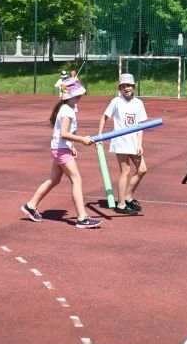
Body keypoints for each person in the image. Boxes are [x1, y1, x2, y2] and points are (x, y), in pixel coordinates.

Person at [20, 76, 101, 229]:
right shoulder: (67, 111)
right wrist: (82, 139)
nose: (80, 96)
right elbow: (64, 133)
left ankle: (30, 205)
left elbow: (64, 135)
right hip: (60, 149)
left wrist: (72, 145)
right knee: (77, 179)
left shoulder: (67, 109)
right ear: (69, 95)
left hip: (61, 148)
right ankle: (82, 218)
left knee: (54, 179)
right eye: (77, 93)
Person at [97, 73, 148, 214]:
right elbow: (104, 117)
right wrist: (100, 136)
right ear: (120, 87)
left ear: (133, 86)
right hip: (121, 141)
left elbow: (141, 125)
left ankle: (128, 196)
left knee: (142, 169)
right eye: (124, 86)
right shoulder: (116, 101)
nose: (127, 88)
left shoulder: (138, 103)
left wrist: (140, 144)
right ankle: (120, 205)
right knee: (125, 171)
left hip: (133, 141)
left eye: (129, 85)